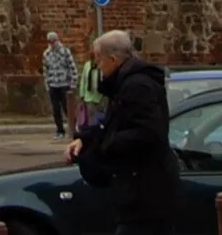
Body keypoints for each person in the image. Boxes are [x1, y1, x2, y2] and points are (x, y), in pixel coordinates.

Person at [65, 30, 180, 235]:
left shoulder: (136, 85)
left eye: (99, 60)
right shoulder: (125, 84)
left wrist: (106, 145)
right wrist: (85, 138)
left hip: (144, 193)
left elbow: (149, 132)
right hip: (140, 191)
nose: (98, 67)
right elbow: (114, 124)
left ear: (113, 59)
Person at [41, 30, 77, 138]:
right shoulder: (46, 54)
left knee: (67, 108)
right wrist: (47, 84)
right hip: (53, 85)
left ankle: (73, 129)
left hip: (64, 84)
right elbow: (45, 70)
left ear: (57, 40)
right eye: (50, 41)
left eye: (54, 41)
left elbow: (72, 67)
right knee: (56, 109)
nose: (52, 43)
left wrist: (73, 83)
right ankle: (60, 130)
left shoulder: (65, 52)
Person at [75, 36, 105, 131]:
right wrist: (82, 94)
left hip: (100, 95)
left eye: (96, 58)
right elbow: (84, 80)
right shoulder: (87, 65)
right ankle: (93, 132)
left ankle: (101, 130)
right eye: (93, 59)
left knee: (101, 115)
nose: (94, 61)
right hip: (89, 96)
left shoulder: (103, 65)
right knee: (92, 117)